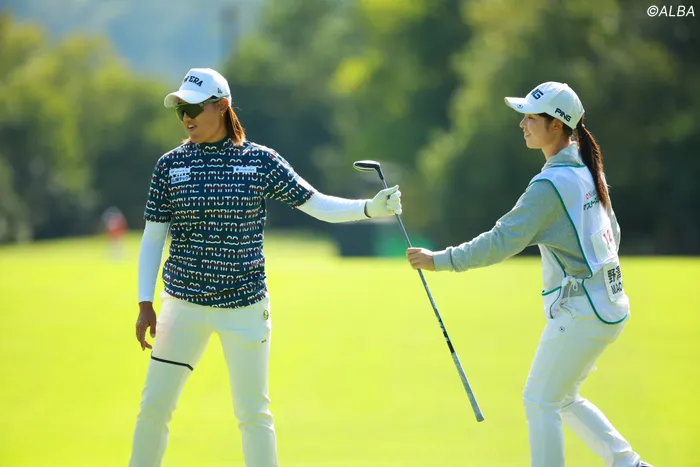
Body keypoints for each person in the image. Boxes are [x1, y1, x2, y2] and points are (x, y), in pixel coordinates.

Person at [130, 67, 402, 467]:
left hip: (245, 309)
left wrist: (369, 208)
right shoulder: (170, 166)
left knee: (253, 414)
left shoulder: (260, 161)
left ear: (222, 106)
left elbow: (316, 203)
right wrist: (144, 303)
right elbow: (154, 237)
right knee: (154, 408)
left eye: (194, 108)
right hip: (183, 305)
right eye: (180, 110)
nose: (186, 117)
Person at [406, 82, 652, 467]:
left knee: (540, 400)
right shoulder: (587, 168)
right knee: (561, 398)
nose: (522, 124)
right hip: (609, 303)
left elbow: (500, 241)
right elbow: (613, 234)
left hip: (583, 312)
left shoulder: (551, 185)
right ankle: (629, 464)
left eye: (531, 118)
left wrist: (440, 260)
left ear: (557, 125)